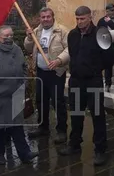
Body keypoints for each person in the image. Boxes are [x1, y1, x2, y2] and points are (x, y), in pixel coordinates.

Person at [58, 6, 114, 166]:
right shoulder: (73, 35)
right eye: (77, 18)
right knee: (76, 115)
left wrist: (95, 69)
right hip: (76, 81)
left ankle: (100, 150)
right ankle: (74, 144)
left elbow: (109, 58)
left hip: (93, 81)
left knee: (97, 115)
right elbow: (73, 55)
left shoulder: (100, 34)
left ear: (90, 17)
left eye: (82, 18)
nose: (79, 22)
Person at [0, 25, 38, 165]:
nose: (10, 38)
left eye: (11, 35)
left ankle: (25, 153)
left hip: (15, 95)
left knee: (17, 127)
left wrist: (23, 84)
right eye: (6, 36)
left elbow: (23, 67)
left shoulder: (16, 49)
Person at [24, 7, 70, 144]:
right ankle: (43, 127)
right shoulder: (36, 31)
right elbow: (27, 48)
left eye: (48, 17)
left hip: (56, 73)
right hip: (40, 72)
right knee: (40, 100)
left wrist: (59, 60)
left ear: (53, 17)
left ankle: (61, 131)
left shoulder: (62, 31)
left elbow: (69, 48)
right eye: (43, 17)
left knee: (57, 101)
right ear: (40, 18)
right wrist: (28, 37)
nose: (45, 19)